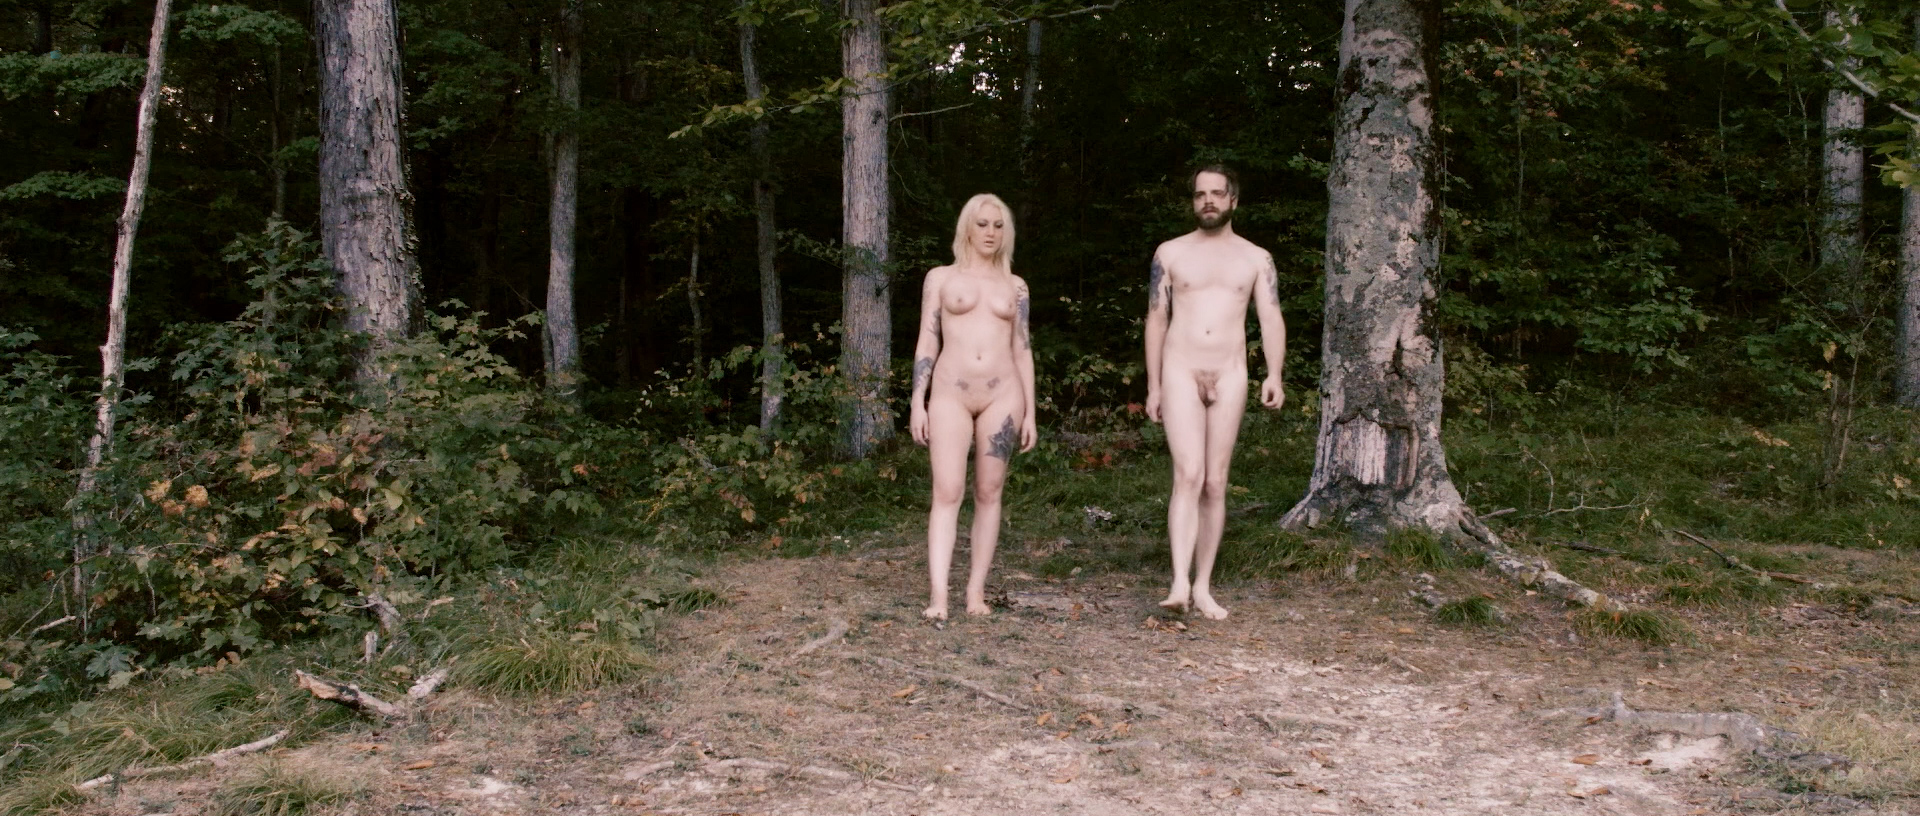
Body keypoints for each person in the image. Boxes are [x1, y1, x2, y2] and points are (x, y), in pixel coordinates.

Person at [1144, 166, 1286, 620]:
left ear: (1233, 201)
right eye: (1200, 194)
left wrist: (1274, 374)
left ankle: (1203, 586)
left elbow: (1270, 316)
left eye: (1217, 193)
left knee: (1215, 481)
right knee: (1188, 474)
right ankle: (1178, 582)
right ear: (1193, 202)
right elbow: (1156, 318)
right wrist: (1153, 385)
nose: (1208, 200)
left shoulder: (1256, 258)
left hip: (1230, 372)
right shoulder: (1170, 253)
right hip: (1180, 369)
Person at [909, 193, 1037, 621]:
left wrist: (1031, 412)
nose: (990, 233)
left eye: (998, 226)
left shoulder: (1015, 287)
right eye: (982, 224)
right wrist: (917, 400)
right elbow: (928, 339)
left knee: (989, 491)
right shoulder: (940, 278)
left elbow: (1023, 350)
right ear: (967, 227)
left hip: (1004, 395)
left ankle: (975, 592)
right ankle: (939, 596)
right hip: (951, 394)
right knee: (947, 491)